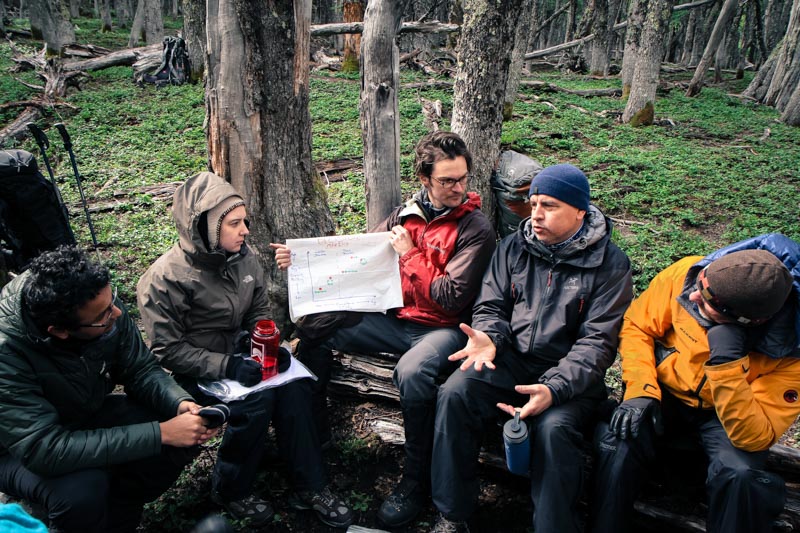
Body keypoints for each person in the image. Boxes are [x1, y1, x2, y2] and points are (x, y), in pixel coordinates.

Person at [272, 131, 497, 527]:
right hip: (394, 319)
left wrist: (410, 254)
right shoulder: (404, 214)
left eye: (463, 178)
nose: (459, 188)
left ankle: (414, 480)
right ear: (425, 179)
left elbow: (451, 298)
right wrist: (303, 260)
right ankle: (316, 440)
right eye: (448, 181)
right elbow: (355, 255)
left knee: (412, 373)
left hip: (442, 328)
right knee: (316, 333)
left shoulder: (476, 229)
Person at [136, 172, 353, 528]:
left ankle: (310, 486)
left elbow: (258, 310)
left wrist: (272, 345)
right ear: (204, 228)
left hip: (243, 358)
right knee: (256, 403)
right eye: (235, 223)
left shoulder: (241, 257)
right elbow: (168, 350)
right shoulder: (163, 280)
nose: (245, 231)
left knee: (296, 388)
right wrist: (228, 366)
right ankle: (231, 488)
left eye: (245, 221)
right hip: (199, 373)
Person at [428, 163, 633, 533]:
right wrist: (490, 337)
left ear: (580, 211)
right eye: (533, 202)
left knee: (554, 431)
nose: (536, 214)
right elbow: (490, 306)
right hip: (511, 361)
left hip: (572, 381)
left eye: (549, 206)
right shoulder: (513, 248)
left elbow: (598, 343)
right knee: (456, 393)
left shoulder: (610, 264)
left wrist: (554, 388)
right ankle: (453, 513)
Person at [590, 234, 800, 533]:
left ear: (746, 321)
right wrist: (641, 390)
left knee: (740, 475)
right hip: (663, 394)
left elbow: (753, 437)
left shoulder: (791, 352)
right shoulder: (687, 273)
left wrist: (726, 365)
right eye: (700, 285)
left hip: (724, 417)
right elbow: (638, 326)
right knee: (619, 440)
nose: (693, 297)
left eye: (707, 302)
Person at [0, 246, 216, 533]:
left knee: (178, 439)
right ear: (59, 331)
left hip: (82, 413)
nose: (116, 312)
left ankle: (121, 514)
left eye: (113, 300)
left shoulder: (95, 299)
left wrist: (178, 403)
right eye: (103, 316)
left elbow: (139, 367)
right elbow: (44, 448)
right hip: (16, 450)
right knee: (81, 491)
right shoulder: (7, 351)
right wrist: (162, 433)